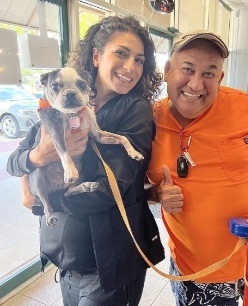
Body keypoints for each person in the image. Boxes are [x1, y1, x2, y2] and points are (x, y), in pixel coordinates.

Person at [7, 15, 165, 306]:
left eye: (139, 60)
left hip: (109, 261)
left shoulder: (135, 109)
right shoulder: (59, 104)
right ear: (96, 55)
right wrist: (36, 157)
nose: (130, 67)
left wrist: (44, 202)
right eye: (121, 53)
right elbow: (14, 162)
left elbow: (107, 191)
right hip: (66, 256)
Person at [146, 30, 248, 305]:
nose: (195, 84)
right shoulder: (146, 122)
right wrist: (156, 193)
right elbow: (127, 186)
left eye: (209, 73)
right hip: (196, 272)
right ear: (168, 71)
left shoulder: (247, 108)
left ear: (220, 78)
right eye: (187, 69)